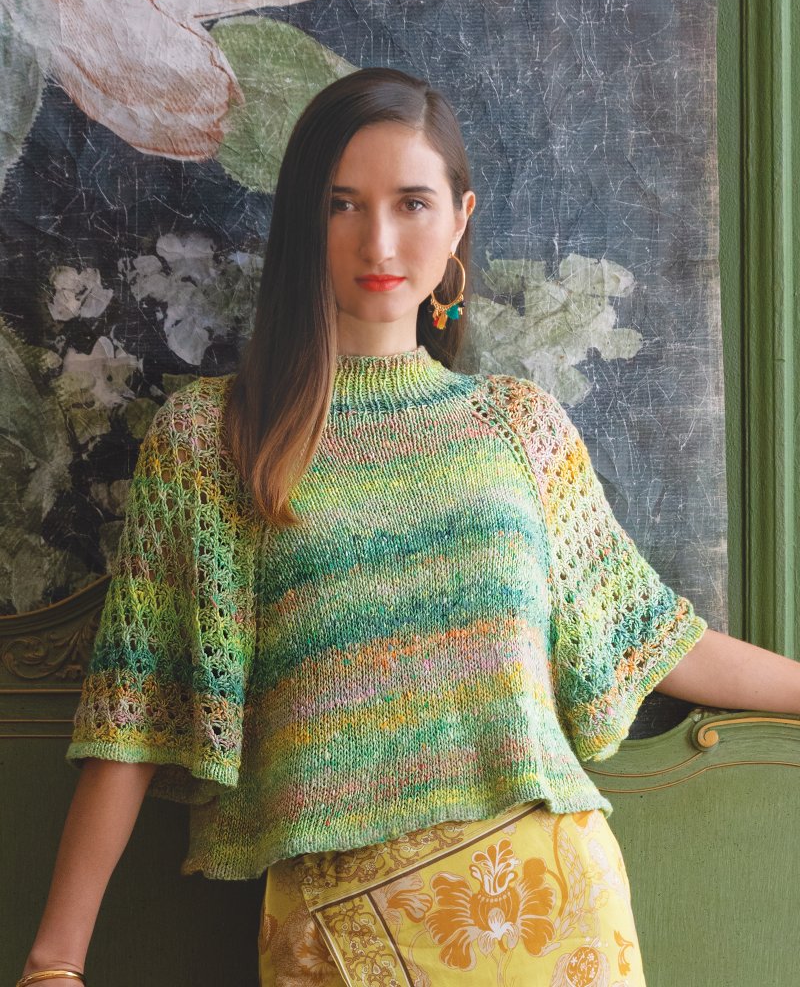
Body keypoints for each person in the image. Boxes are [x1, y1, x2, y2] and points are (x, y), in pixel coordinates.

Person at [18, 66, 800, 987]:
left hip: (558, 909)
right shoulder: (211, 438)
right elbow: (134, 708)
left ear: (459, 220)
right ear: (303, 221)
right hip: (342, 930)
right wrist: (55, 962)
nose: (379, 240)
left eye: (412, 203)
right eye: (342, 204)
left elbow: (653, 636)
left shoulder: (519, 426)